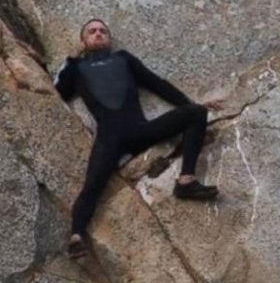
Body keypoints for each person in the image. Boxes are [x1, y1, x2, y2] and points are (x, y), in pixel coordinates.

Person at [54, 18, 225, 259]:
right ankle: (76, 236)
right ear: (83, 40)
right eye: (92, 31)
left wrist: (190, 104)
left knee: (197, 113)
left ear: (110, 38)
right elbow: (56, 94)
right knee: (92, 185)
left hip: (142, 131)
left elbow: (157, 84)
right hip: (109, 140)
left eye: (103, 31)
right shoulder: (74, 67)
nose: (98, 34)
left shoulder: (124, 59)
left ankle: (186, 181)